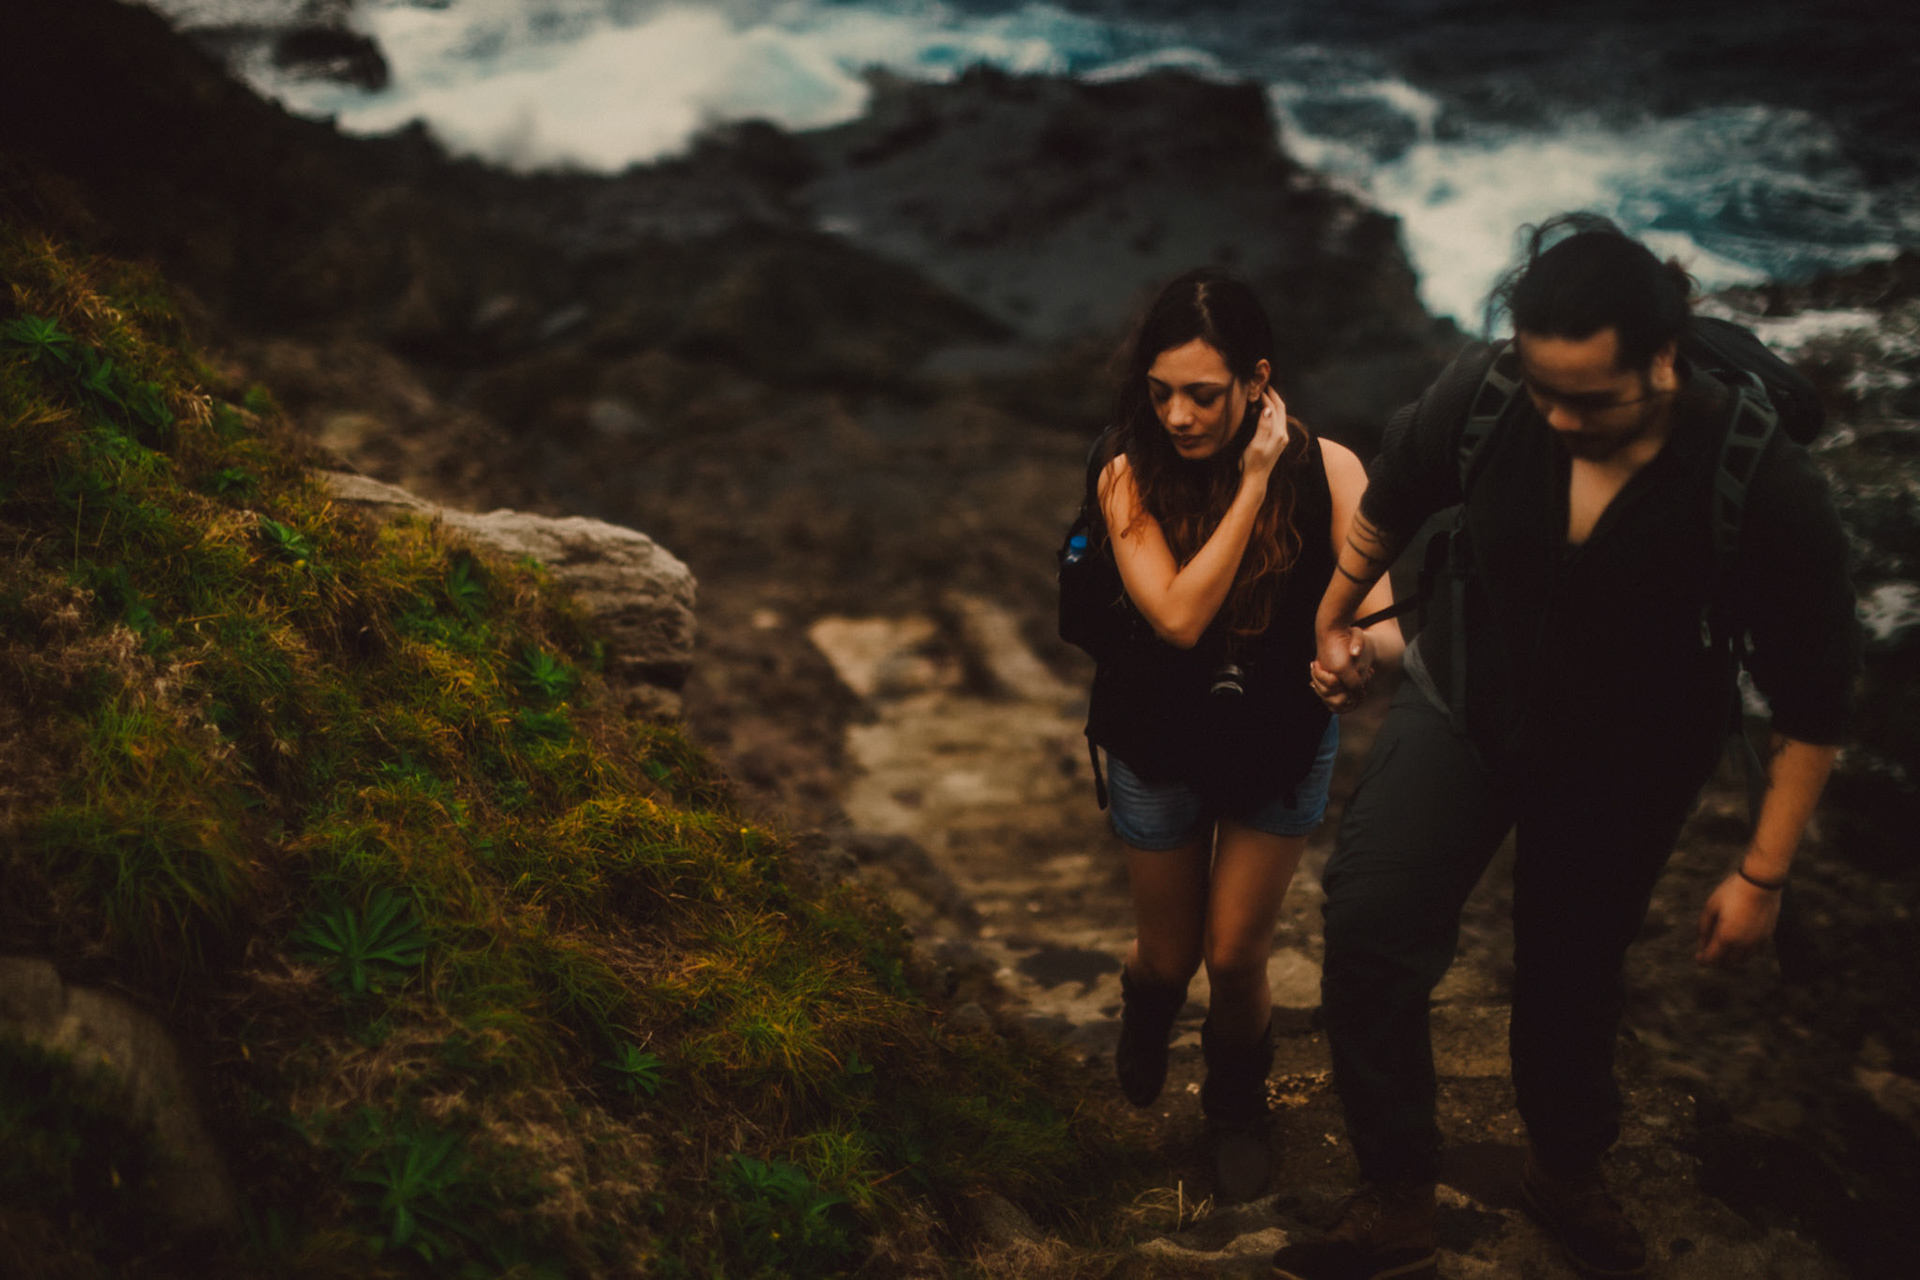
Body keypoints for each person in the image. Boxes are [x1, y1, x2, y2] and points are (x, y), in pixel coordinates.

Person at [1271, 216, 1859, 1280]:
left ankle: (1565, 1167)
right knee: (1370, 921)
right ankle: (1396, 1189)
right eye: (1545, 387)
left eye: (1591, 397)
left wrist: (1762, 871)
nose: (1560, 416)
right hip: (1464, 702)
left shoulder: (1759, 482)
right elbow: (1394, 498)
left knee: (1571, 972)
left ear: (1664, 357)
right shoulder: (1490, 394)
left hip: (1625, 762)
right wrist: (1335, 613)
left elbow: (1815, 699)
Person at [1085, 269, 1402, 1203]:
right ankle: (1147, 1008)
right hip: (1158, 746)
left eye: (1203, 395)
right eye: (1160, 392)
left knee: (1235, 955)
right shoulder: (1123, 468)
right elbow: (1180, 618)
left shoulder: (1335, 468)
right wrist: (1254, 479)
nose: (1177, 416)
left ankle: (1235, 1106)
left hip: (1278, 742)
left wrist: (1358, 654)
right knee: (1170, 956)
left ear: (1257, 379)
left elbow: (1386, 621)